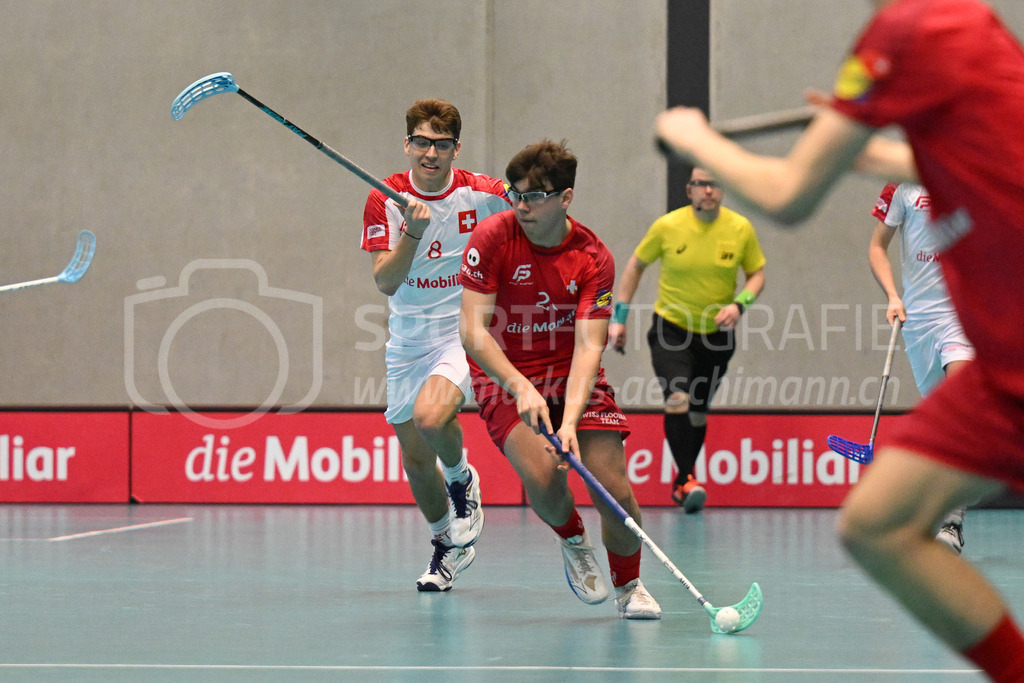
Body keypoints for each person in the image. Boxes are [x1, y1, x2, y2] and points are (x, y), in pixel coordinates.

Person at [654, 0, 1024, 678]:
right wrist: (852, 142)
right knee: (875, 521)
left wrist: (696, 138)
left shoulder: (903, 30)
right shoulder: (979, 30)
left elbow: (790, 193)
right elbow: (940, 157)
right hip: (1005, 367)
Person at [459, 139, 661, 619]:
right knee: (545, 475)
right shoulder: (492, 238)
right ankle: (573, 537)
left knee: (614, 491)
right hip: (505, 376)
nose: (520, 205)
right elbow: (472, 332)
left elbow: (590, 347)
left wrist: (568, 420)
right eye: (515, 193)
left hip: (570, 375)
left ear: (565, 198)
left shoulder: (593, 257)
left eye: (533, 195)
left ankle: (629, 585)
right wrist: (520, 387)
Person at [361, 99, 510, 592]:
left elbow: (532, 210)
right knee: (415, 458)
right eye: (421, 142)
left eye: (441, 144)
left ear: (455, 149)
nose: (430, 153)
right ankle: (443, 547)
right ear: (407, 144)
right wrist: (413, 232)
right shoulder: (385, 197)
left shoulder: (481, 192)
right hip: (406, 339)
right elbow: (385, 281)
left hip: (462, 328)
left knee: (432, 418)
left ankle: (462, 476)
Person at [608, 167, 765, 511]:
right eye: (700, 184)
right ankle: (686, 479)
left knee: (697, 411)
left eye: (714, 183)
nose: (707, 190)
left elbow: (756, 275)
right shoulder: (668, 226)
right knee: (677, 397)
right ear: (689, 189)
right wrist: (619, 319)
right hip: (672, 329)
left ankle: (683, 480)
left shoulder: (740, 229)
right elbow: (635, 265)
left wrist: (741, 305)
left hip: (717, 337)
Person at [869, 181, 975, 554]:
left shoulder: (968, 170)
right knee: (945, 424)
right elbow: (877, 247)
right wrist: (893, 295)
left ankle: (952, 521)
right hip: (918, 320)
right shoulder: (901, 184)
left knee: (956, 407)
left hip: (963, 314)